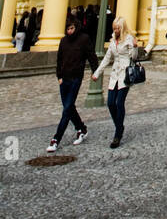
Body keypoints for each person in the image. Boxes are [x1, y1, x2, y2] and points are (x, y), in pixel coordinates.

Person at [47, 18, 98, 152]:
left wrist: (95, 71)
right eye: (68, 29)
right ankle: (81, 128)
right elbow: (59, 59)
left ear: (76, 27)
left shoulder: (84, 39)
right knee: (68, 107)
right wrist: (59, 76)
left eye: (72, 29)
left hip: (76, 78)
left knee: (67, 108)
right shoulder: (63, 41)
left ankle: (56, 139)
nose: (69, 31)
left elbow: (91, 56)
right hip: (64, 79)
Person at [92, 16, 138, 149]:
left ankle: (117, 135)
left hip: (125, 75)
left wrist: (135, 47)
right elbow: (107, 59)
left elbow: (133, 57)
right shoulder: (113, 41)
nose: (115, 30)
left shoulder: (128, 38)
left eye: (117, 28)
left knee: (119, 102)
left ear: (122, 28)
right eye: (114, 28)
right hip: (114, 75)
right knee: (110, 103)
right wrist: (97, 73)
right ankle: (120, 126)